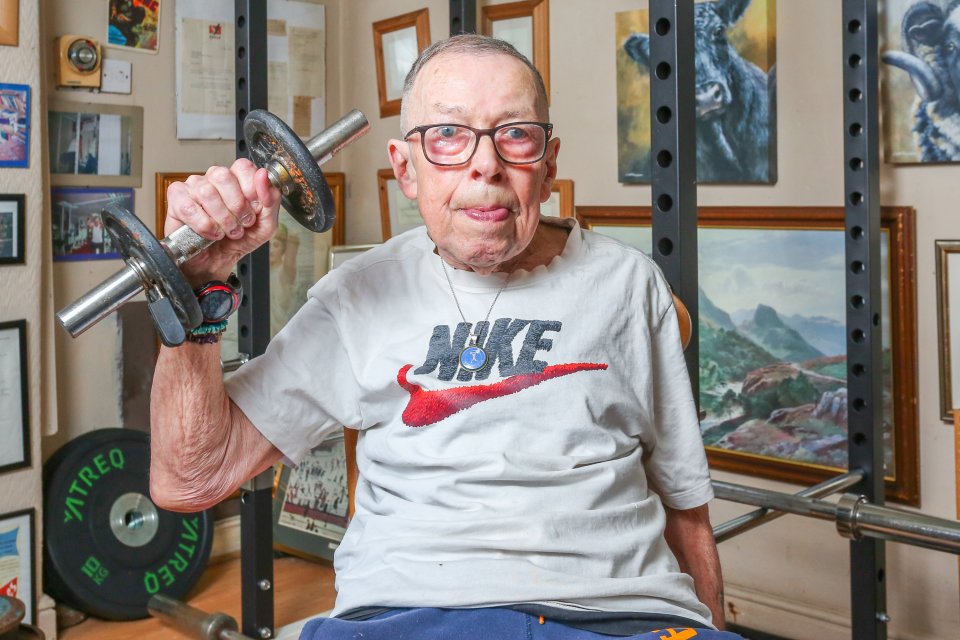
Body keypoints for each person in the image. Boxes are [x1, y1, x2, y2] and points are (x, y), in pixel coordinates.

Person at [151, 34, 741, 640]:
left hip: (617, 617)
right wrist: (197, 287)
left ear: (549, 162)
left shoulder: (627, 282)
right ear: (405, 168)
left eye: (514, 133)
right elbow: (190, 479)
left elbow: (685, 505)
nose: (485, 164)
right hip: (406, 616)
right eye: (449, 135)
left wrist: (710, 627)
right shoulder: (359, 294)